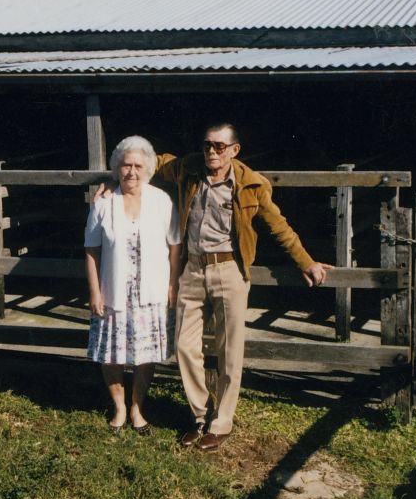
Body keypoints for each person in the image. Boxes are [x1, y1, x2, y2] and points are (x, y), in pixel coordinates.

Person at [97, 123, 330, 450]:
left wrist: (306, 262)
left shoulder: (251, 185)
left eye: (219, 146)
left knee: (229, 350)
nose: (211, 151)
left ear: (234, 150)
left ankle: (221, 423)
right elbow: (146, 161)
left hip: (229, 269)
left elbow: (279, 227)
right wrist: (115, 180)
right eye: (207, 145)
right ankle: (199, 416)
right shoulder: (188, 168)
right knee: (184, 345)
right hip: (192, 268)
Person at [84, 135, 181, 435]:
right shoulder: (103, 203)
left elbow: (175, 247)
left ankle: (138, 408)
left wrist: (172, 285)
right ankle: (119, 408)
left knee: (145, 354)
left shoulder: (161, 201)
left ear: (148, 168)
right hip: (113, 292)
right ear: (117, 167)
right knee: (110, 354)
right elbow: (91, 250)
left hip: (150, 292)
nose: (132, 172)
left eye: (138, 166)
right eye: (126, 165)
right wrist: (95, 291)